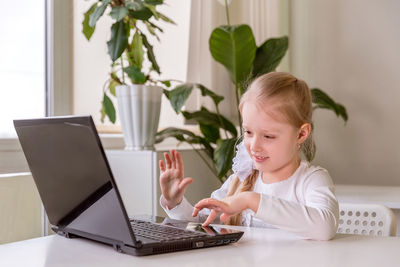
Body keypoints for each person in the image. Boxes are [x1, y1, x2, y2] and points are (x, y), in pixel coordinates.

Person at [159, 72, 339, 241]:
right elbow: (202, 224)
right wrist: (175, 203)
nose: (254, 146)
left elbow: (325, 228)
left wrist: (250, 200)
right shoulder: (240, 180)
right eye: (248, 132)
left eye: (268, 136)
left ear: (300, 134)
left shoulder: (311, 180)